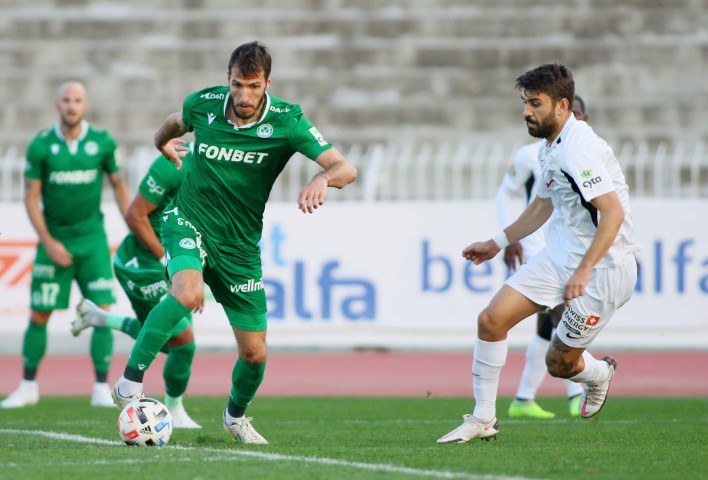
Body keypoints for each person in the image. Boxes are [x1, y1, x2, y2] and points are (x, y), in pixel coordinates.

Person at [110, 41, 357, 444]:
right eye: (238, 84)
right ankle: (129, 383)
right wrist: (160, 143)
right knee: (187, 293)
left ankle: (235, 417)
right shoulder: (204, 104)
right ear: (228, 79)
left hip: (239, 247)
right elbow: (175, 121)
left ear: (268, 83)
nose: (244, 96)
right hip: (187, 220)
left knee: (255, 354)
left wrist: (322, 178)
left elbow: (346, 168)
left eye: (253, 86)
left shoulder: (287, 121)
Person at [437, 64, 638, 443]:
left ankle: (599, 373)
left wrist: (584, 270)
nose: (526, 111)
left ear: (562, 105)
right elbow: (542, 205)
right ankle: (482, 419)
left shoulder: (578, 149)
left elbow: (612, 213)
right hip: (559, 257)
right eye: (525, 103)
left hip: (604, 271)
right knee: (491, 321)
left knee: (559, 365)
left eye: (535, 103)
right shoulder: (551, 144)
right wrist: (496, 242)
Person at [1, 81, 130, 409]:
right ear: (57, 104)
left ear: (85, 105)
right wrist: (48, 241)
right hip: (54, 242)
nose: (72, 106)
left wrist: (133, 226)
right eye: (66, 100)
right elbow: (30, 196)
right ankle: (28, 385)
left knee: (102, 311)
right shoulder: (41, 145)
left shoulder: (102, 142)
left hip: (92, 242)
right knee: (39, 313)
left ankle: (100, 387)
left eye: (77, 100)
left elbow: (119, 186)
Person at [71, 144, 202, 428]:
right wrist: (167, 261)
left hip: (178, 260)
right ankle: (173, 409)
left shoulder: (222, 166)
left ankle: (98, 317)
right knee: (183, 343)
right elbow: (134, 215)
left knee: (168, 341)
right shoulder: (175, 162)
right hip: (142, 265)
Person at [497, 96, 589, 419]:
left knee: (546, 325)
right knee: (564, 315)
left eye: (580, 115)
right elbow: (506, 194)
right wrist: (509, 238)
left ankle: (523, 399)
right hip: (537, 246)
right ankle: (578, 392)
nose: (575, 119)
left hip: (567, 248)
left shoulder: (589, 155)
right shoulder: (531, 155)